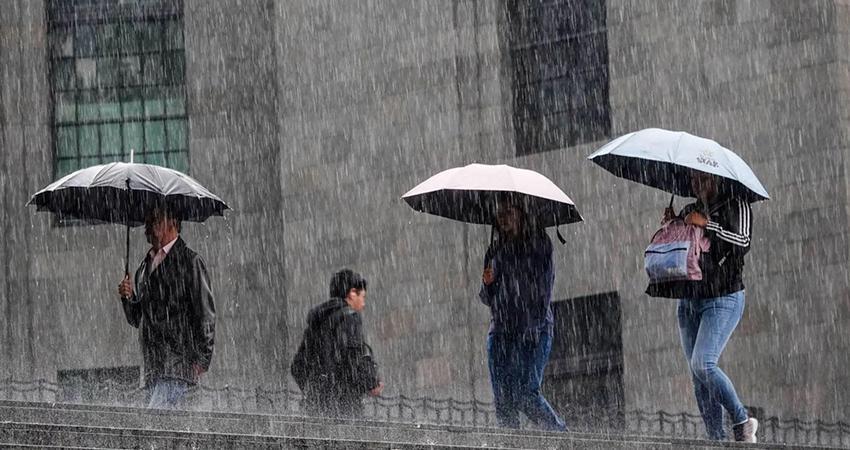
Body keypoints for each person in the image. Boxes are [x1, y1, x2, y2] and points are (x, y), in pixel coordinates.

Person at [661, 170, 758, 442]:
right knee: (697, 375)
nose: (697, 184)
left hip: (724, 298)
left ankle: (741, 421)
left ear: (716, 178)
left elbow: (743, 242)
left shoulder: (737, 204)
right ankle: (716, 438)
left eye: (702, 178)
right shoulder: (689, 209)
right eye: (693, 179)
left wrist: (708, 224)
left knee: (703, 364)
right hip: (689, 300)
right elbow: (681, 250)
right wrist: (672, 224)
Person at [479, 201, 567, 431]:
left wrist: (532, 326)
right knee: (504, 400)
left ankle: (562, 437)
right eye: (499, 213)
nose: (503, 217)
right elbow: (487, 298)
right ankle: (512, 444)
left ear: (521, 214)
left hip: (533, 328)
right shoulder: (494, 250)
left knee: (526, 393)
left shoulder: (539, 244)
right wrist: (487, 283)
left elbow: (544, 289)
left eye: (508, 212)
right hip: (501, 331)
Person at [117, 205, 216, 409]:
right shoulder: (144, 267)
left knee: (154, 420)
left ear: (173, 222)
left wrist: (202, 360)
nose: (147, 227)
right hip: (154, 367)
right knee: (162, 424)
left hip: (178, 366)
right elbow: (137, 318)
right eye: (146, 222)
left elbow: (205, 313)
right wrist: (128, 297)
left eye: (154, 220)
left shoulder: (190, 261)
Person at [291, 269, 384, 418]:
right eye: (363, 296)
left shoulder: (318, 320)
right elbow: (353, 357)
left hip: (315, 407)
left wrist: (315, 390)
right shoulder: (350, 317)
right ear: (352, 293)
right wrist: (371, 383)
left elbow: (297, 365)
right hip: (343, 407)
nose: (364, 303)